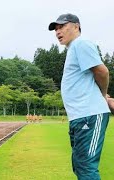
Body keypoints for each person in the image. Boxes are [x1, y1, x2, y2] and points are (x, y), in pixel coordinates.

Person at [49, 13, 110, 179]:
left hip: (88, 115)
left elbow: (102, 71)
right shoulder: (73, 49)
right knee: (80, 166)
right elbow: (88, 81)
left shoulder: (81, 44)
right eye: (55, 29)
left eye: (62, 26)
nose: (57, 32)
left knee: (86, 167)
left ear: (76, 26)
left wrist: (103, 96)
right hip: (80, 117)